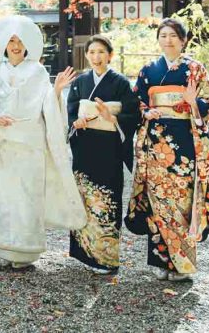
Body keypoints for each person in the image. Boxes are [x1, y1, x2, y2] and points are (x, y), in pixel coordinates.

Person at [0, 15, 87, 269]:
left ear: (28, 45)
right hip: (4, 143)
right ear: (4, 44)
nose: (15, 45)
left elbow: (47, 105)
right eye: (11, 40)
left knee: (27, 197)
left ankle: (25, 253)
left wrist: (57, 91)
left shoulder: (37, 71)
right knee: (4, 196)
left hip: (30, 143)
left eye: (20, 41)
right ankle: (4, 250)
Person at [125, 17, 209, 281]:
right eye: (163, 35)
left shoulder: (195, 68)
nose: (168, 40)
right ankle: (161, 261)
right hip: (155, 142)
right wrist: (147, 110)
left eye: (173, 35)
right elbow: (137, 102)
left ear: (184, 39)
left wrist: (193, 102)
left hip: (184, 142)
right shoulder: (148, 70)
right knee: (157, 201)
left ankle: (183, 264)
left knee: (182, 201)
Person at [67, 34, 141, 274]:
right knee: (85, 199)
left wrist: (113, 118)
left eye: (101, 52)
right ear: (86, 55)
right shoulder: (80, 81)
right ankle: (85, 253)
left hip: (108, 148)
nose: (96, 57)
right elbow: (71, 109)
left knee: (107, 198)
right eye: (91, 53)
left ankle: (106, 258)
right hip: (84, 146)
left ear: (110, 55)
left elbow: (133, 114)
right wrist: (75, 122)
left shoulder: (120, 83)